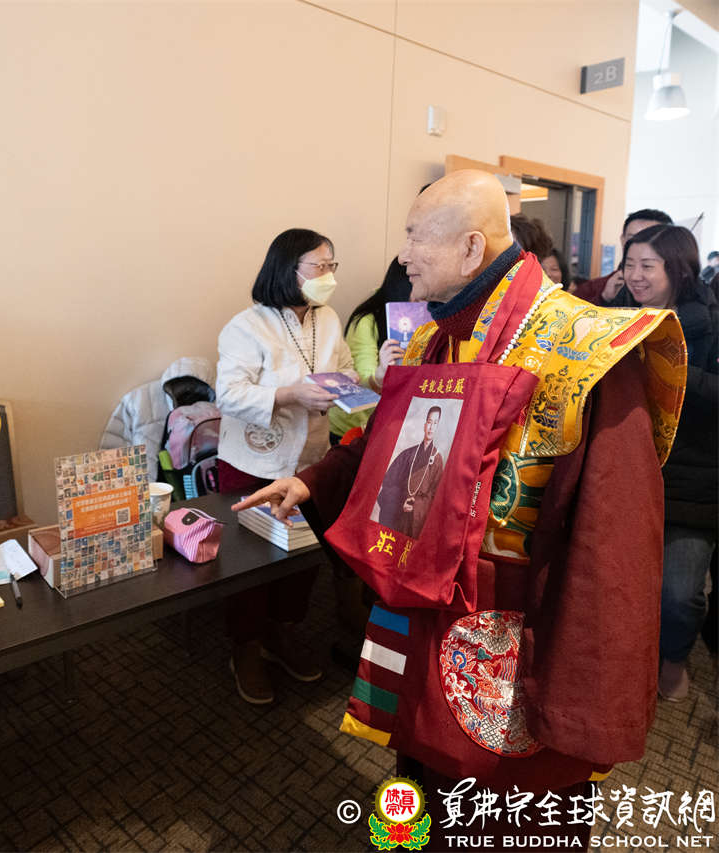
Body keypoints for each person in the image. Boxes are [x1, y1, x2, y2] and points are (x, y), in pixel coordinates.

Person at [234, 171, 685, 848]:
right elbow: (388, 440)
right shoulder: (433, 340)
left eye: (415, 236)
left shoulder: (587, 348)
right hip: (425, 603)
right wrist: (312, 481)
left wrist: (589, 694)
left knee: (508, 817)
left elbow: (616, 549)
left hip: (520, 634)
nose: (403, 254)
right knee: (424, 787)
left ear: (472, 248)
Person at [214, 228, 356, 703]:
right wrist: (292, 394)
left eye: (332, 266)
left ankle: (282, 632)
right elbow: (228, 394)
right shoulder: (246, 326)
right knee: (250, 563)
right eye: (320, 267)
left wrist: (355, 383)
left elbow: (345, 370)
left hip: (309, 461)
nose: (328, 276)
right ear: (287, 269)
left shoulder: (328, 318)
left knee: (299, 556)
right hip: (253, 463)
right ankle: (245, 647)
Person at [616, 224, 718, 701]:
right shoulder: (616, 318)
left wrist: (666, 369)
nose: (635, 275)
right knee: (617, 580)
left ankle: (673, 661)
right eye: (629, 264)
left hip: (693, 484)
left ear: (678, 269)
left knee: (679, 594)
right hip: (626, 472)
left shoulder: (709, 324)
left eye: (647, 266)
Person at [329, 258, 411, 442]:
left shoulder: (429, 313)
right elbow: (363, 378)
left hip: (393, 422)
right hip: (354, 424)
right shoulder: (367, 321)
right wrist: (382, 371)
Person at [570, 208, 672, 305]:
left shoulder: (678, 296)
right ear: (622, 240)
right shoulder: (593, 288)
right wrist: (604, 298)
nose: (639, 245)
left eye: (649, 239)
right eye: (633, 238)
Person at [373, 405, 444, 538]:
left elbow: (436, 497)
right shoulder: (407, 454)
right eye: (429, 422)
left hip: (416, 521)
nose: (431, 427)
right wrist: (401, 501)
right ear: (425, 425)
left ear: (438, 427)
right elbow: (388, 484)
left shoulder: (437, 460)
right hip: (398, 516)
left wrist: (416, 505)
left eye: (435, 423)